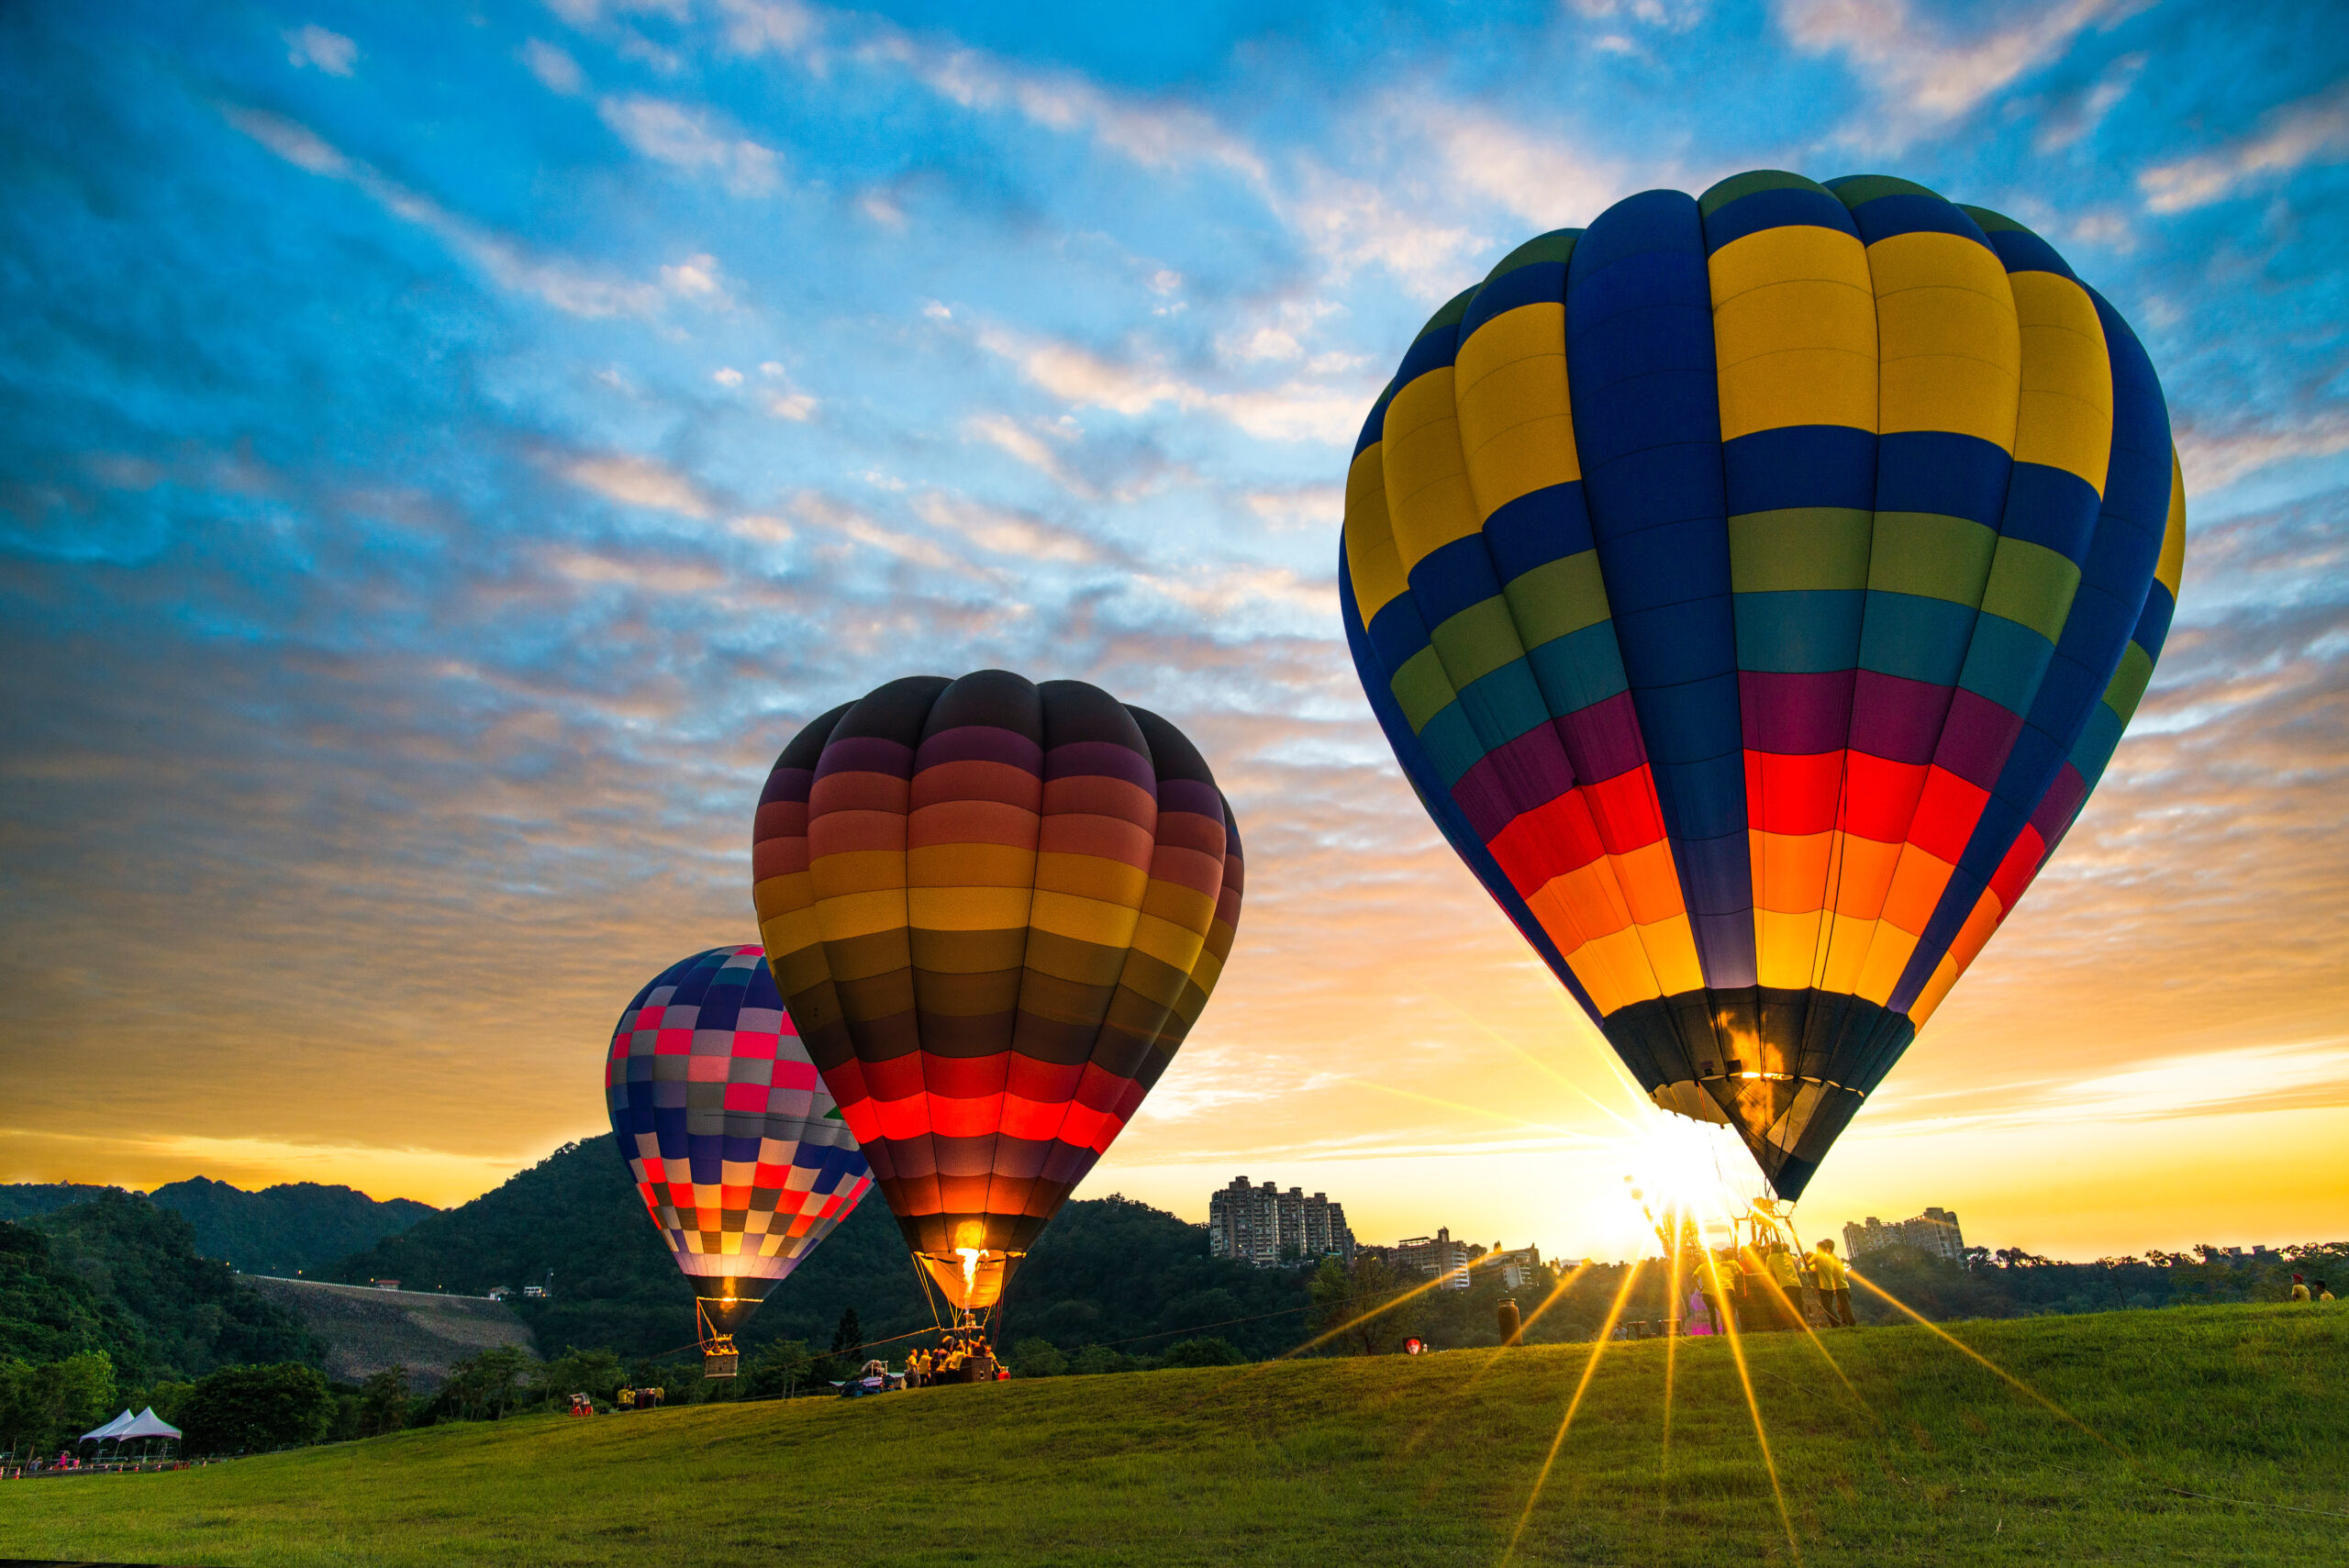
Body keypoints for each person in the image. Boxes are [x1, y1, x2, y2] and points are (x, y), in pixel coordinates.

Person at [1809, 1240, 1854, 1328]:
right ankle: (1845, 1324)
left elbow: (1814, 1267)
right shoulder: (1834, 1258)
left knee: (1843, 1307)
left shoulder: (1830, 1258)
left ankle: (1849, 1323)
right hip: (1840, 1285)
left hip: (1839, 1285)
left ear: (1828, 1248)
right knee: (1842, 1308)